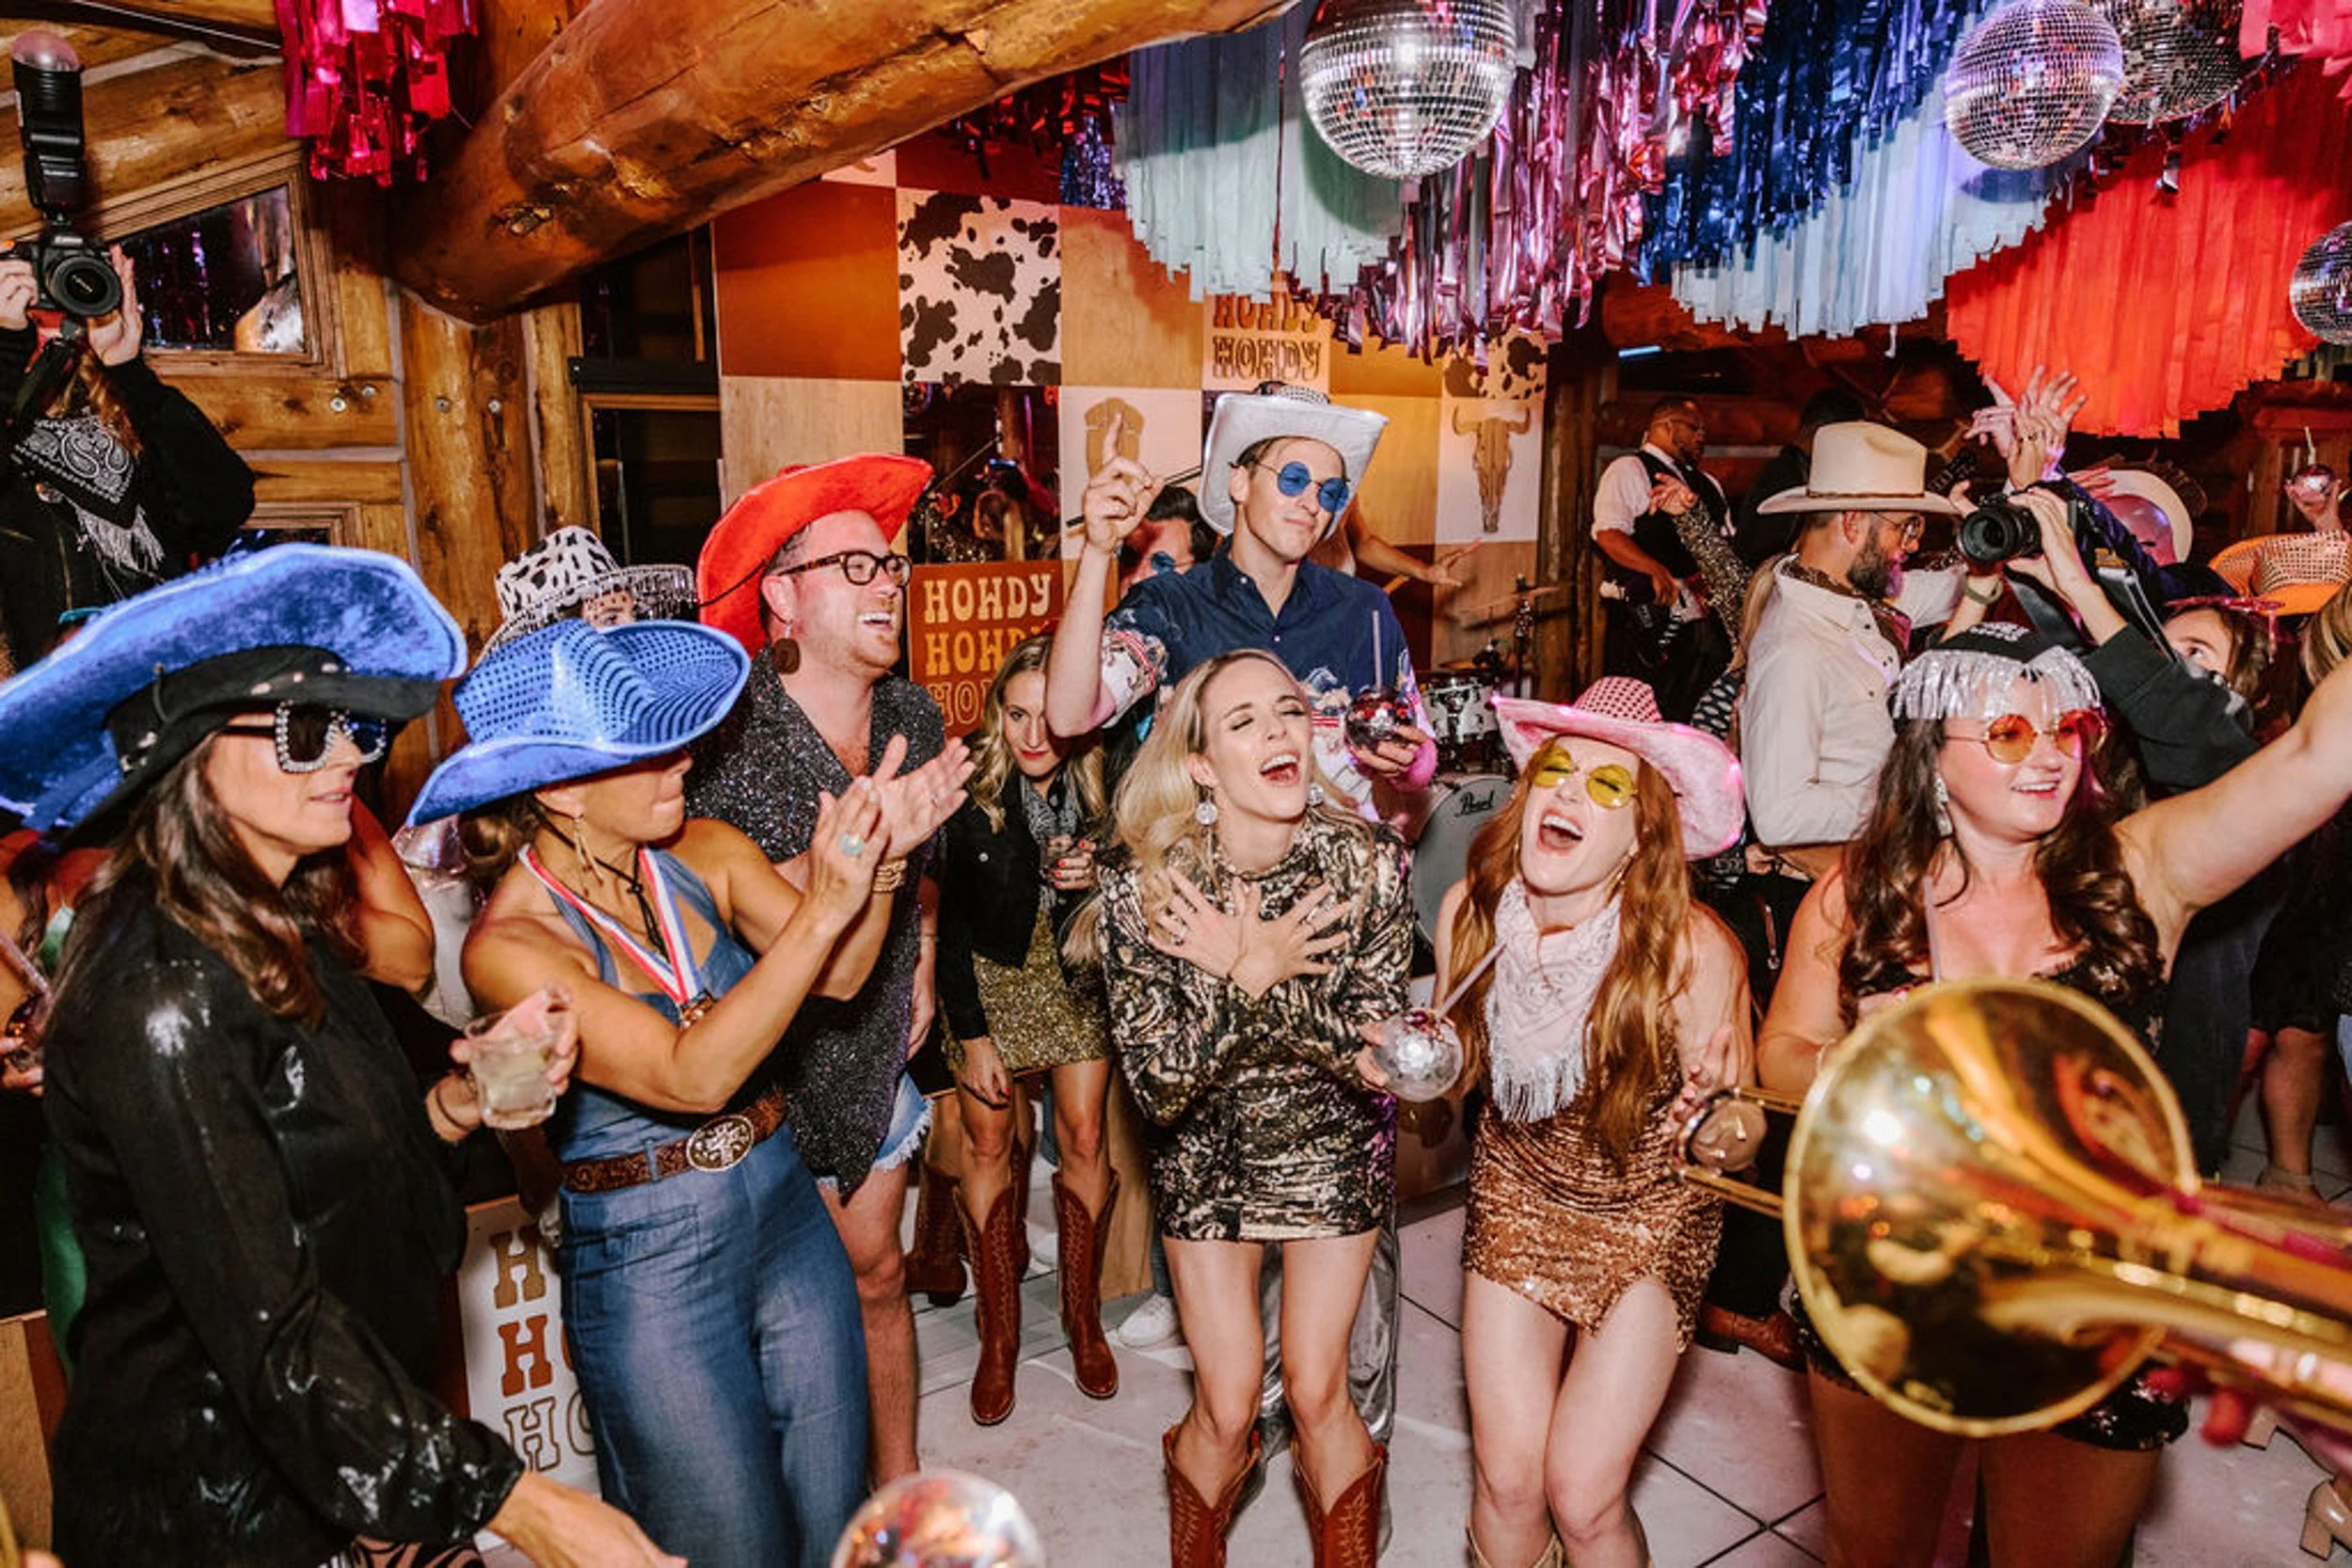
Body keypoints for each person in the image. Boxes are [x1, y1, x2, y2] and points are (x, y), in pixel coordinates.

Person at [0, 546, 676, 1568]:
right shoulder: (156, 989)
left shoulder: (284, 919)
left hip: (343, 1457)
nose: (351, 757)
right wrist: (524, 1502)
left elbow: (331, 1185)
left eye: (358, 725)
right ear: (185, 748)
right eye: (302, 728)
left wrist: (461, 1098)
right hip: (219, 1512)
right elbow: (270, 1330)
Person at [1757, 585, 2352, 1568]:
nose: (2047, 752)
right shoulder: (1855, 893)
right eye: (2004, 729)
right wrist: (1858, 1061)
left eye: (2067, 724)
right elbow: (1781, 1050)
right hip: (1894, 1271)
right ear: (1931, 757)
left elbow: (2317, 756)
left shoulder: (2140, 866)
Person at [424, 614, 958, 1568]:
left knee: (833, 1515)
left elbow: (835, 976)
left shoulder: (702, 850)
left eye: (673, 734)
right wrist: (831, 901)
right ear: (561, 789)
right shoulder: (510, 943)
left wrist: (877, 870)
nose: (680, 758)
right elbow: (692, 1070)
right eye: (645, 749)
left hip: (786, 1206)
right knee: (727, 1544)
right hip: (648, 1258)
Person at [1094, 650, 1412, 1566]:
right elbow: (1158, 1083)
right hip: (1206, 1150)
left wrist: (1248, 969)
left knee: (1317, 1391)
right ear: (1200, 765)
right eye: (1244, 721)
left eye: (1288, 709)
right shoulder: (1145, 885)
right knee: (1229, 1403)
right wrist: (1251, 972)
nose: (1278, 730)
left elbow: (1376, 1059)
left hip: (1332, 1139)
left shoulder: (1369, 863)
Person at [1423, 680, 1750, 1568]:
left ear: (1642, 834)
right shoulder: (1474, 914)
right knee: (1509, 1482)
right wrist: (1405, 1067)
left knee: (1581, 1488)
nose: (1567, 793)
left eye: (1608, 787)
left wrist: (1716, 1116)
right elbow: (1441, 1095)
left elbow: (1740, 1149)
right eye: (1556, 771)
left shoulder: (1691, 951)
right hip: (1520, 1196)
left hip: (1649, 1215)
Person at [691, 451, 972, 1482]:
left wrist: (930, 955)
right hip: (759, 1063)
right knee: (784, 1308)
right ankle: (802, 1493)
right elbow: (728, 904)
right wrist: (862, 851)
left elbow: (927, 864)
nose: (888, 582)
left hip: (872, 1037)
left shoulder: (913, 716)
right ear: (782, 595)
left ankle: (895, 1492)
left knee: (879, 1272)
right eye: (855, 566)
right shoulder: (723, 736)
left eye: (890, 565)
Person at [934, 634, 1121, 1424]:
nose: (1033, 735)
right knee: (987, 1144)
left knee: (1082, 1134)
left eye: (1050, 716)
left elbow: (1149, 865)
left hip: (1076, 978)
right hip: (991, 982)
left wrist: (1105, 871)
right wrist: (970, 1033)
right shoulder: (969, 783)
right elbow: (943, 926)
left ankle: (1080, 1315)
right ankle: (1000, 1335)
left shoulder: (1105, 777)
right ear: (997, 712)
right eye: (1017, 715)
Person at [0, 245, 254, 669]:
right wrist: (6, 349)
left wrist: (128, 369)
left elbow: (224, 506)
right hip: (50, 703)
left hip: (162, 686)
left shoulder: (122, 410)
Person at [1736, 420, 1969, 872]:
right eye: (1905, 527)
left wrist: (2023, 485)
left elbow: (1959, 588)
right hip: (1829, 905)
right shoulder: (1796, 648)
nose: (1913, 543)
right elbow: (1781, 816)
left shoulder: (1857, 599)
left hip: (1882, 874)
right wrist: (1917, 797)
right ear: (1853, 523)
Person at [1591, 397, 1732, 718]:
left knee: (1693, 711)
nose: (1701, 437)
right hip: (1645, 625)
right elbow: (1609, 533)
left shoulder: (1707, 484)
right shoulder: (1629, 469)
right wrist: (1653, 568)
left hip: (1701, 627)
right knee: (1642, 715)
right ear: (1667, 427)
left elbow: (1726, 544)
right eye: (1694, 428)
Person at [1731, 387, 1867, 565]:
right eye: (1848, 438)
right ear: (1824, 431)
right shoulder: (1785, 475)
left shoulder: (1793, 469)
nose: (1850, 448)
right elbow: (1762, 555)